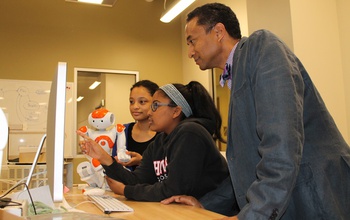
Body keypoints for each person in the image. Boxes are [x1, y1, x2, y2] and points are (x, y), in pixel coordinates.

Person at [161, 3, 350, 220]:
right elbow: (247, 172)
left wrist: (252, 216)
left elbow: (281, 147)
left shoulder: (262, 47)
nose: (190, 53)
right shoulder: (238, 73)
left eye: (192, 41)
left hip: (315, 196)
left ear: (219, 32)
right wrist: (204, 204)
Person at [78, 81, 229, 202]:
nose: (149, 112)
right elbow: (137, 180)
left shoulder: (190, 133)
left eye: (155, 105)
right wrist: (104, 158)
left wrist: (125, 191)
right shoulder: (159, 142)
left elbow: (173, 190)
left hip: (213, 212)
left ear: (176, 111)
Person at [111, 80, 159, 171]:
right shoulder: (122, 131)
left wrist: (141, 162)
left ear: (155, 103)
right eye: (131, 102)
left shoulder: (164, 134)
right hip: (126, 184)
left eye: (142, 102)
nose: (135, 106)